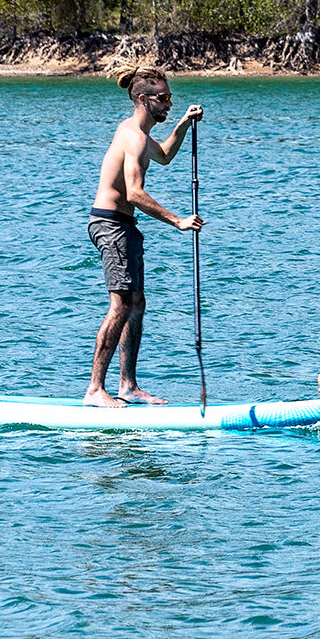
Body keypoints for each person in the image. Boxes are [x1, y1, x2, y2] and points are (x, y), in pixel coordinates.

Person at [84, 61, 205, 407]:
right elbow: (134, 192)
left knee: (136, 304)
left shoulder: (143, 135)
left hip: (126, 226)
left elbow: (164, 156)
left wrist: (182, 124)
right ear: (143, 99)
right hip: (110, 224)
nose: (169, 103)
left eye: (171, 97)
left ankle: (128, 386)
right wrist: (178, 220)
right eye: (164, 98)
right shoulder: (133, 137)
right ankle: (94, 390)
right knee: (120, 305)